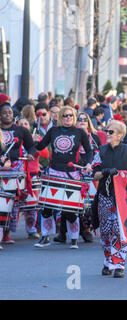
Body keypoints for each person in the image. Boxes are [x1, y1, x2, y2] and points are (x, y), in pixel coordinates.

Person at [33, 107, 93, 249]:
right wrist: (35, 140)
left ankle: (73, 238)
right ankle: (45, 237)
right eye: (65, 116)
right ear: (60, 117)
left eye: (71, 116)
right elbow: (41, 145)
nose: (68, 118)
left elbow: (89, 150)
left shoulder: (80, 132)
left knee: (70, 210)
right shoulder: (54, 131)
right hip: (53, 172)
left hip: (71, 174)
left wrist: (89, 163)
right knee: (47, 207)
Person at [92, 120, 127, 278]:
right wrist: (106, 171)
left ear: (120, 135)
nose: (107, 134)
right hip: (105, 194)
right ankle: (107, 261)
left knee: (120, 231)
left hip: (124, 197)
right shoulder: (101, 150)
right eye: (106, 131)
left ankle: (119, 264)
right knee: (105, 232)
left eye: (111, 132)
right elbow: (95, 174)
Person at [0, 103, 36, 245]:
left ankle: (7, 233)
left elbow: (31, 146)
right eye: (4, 113)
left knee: (12, 204)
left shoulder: (21, 131)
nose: (8, 115)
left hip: (15, 171)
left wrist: (31, 155)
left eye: (10, 112)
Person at [17, 117, 49, 240]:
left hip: (32, 175)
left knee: (31, 207)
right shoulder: (13, 139)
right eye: (20, 123)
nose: (23, 125)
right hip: (16, 175)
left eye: (25, 123)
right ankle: (5, 233)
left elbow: (45, 155)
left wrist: (38, 143)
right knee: (13, 207)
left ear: (30, 126)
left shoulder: (34, 137)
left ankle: (31, 229)